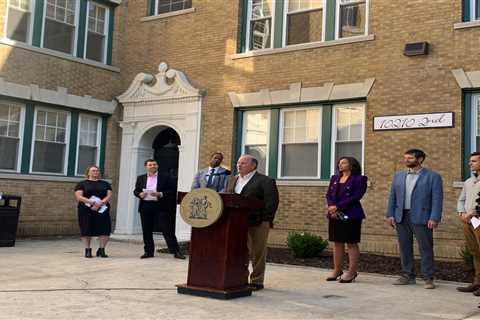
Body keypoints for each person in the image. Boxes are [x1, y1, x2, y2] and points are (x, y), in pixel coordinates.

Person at [386, 149, 443, 289]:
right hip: (401, 216)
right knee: (405, 247)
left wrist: (434, 217)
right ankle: (407, 275)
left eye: (410, 158)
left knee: (425, 248)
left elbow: (437, 199)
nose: (406, 160)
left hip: (423, 217)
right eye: (405, 158)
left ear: (420, 159)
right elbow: (392, 196)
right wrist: (390, 214)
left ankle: (428, 278)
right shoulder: (398, 176)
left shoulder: (433, 177)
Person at [225, 154, 279, 291]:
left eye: (243, 163)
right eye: (238, 162)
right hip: (237, 223)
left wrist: (265, 220)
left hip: (258, 223)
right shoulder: (232, 180)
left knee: (257, 253)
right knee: (240, 251)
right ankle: (241, 278)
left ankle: (257, 280)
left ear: (253, 165)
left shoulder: (265, 181)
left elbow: (271, 203)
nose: (239, 165)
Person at [325, 157, 368, 283]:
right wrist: (331, 207)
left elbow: (356, 196)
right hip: (334, 215)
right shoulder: (334, 178)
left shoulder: (360, 179)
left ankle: (351, 272)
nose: (340, 165)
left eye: (343, 162)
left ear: (352, 165)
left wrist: (338, 206)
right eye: (339, 163)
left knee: (351, 243)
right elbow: (329, 194)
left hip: (351, 215)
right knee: (337, 242)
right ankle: (337, 270)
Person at [133, 159, 185, 259]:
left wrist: (160, 194)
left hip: (160, 206)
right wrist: (140, 194)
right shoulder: (141, 178)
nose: (152, 166)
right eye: (150, 165)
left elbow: (172, 191)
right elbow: (136, 190)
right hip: (146, 206)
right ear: (146, 166)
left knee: (167, 229)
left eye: (154, 164)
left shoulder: (165, 177)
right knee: (146, 230)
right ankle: (148, 252)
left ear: (157, 166)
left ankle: (176, 252)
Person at [74, 165, 113, 258]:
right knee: (86, 228)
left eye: (97, 171)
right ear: (88, 172)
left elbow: (109, 195)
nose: (96, 172)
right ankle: (87, 250)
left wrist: (101, 202)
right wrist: (92, 202)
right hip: (86, 209)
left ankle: (102, 249)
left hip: (102, 209)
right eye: (93, 171)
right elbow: (79, 196)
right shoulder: (82, 184)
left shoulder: (105, 184)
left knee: (105, 229)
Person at [457, 152, 480, 295]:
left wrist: (472, 213)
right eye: (470, 161)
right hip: (468, 221)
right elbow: (461, 200)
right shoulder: (468, 182)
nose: (470, 163)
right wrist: (461, 213)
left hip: (478, 220)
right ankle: (477, 282)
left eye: (474, 161)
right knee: (474, 251)